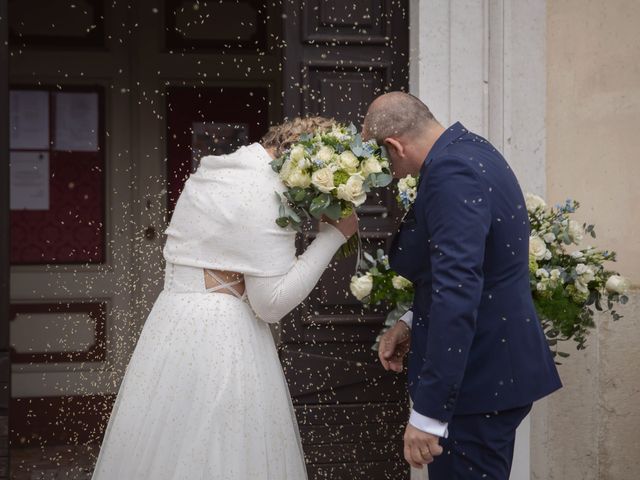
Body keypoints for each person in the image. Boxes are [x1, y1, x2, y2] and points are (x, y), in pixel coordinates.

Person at [91, 117, 358, 479]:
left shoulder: (214, 173)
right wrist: (333, 237)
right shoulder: (270, 193)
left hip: (172, 324)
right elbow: (271, 303)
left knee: (168, 447)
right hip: (223, 339)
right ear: (308, 164)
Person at [363, 92, 562, 479]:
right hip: (493, 369)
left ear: (394, 146)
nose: (393, 175)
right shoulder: (472, 149)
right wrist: (410, 321)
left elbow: (458, 290)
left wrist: (429, 413)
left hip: (478, 380)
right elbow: (470, 269)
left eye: (385, 163)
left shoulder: (450, 172)